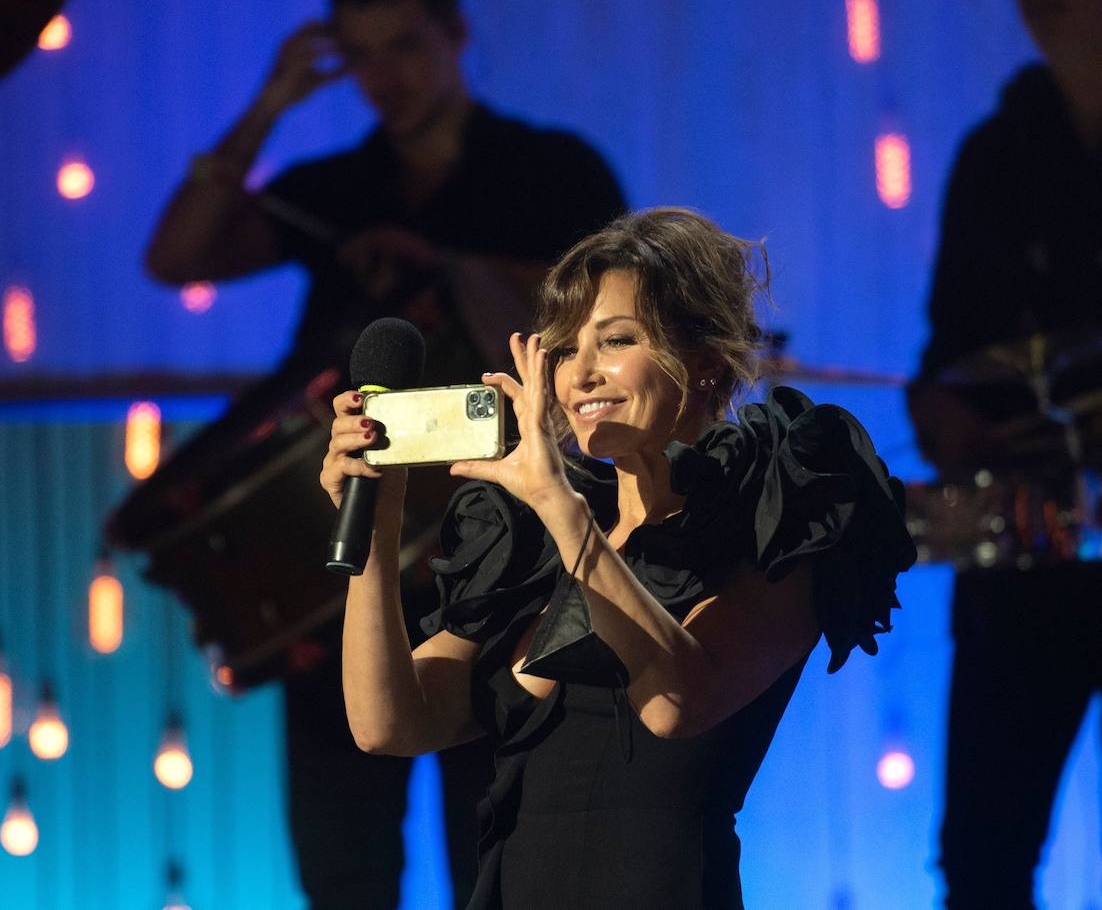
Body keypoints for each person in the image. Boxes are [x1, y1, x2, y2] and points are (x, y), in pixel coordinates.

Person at [143, 0, 624, 908]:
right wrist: (271, 103)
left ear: (455, 35)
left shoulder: (552, 169)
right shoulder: (335, 184)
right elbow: (177, 254)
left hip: (505, 566)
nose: (384, 78)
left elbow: (615, 325)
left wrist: (449, 264)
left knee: (505, 869)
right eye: (361, 56)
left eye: (404, 46)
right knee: (343, 873)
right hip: (351, 564)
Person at [323, 208, 918, 908]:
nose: (581, 373)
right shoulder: (528, 541)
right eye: (566, 348)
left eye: (616, 340)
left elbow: (675, 700)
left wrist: (562, 510)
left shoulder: (773, 515)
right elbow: (387, 723)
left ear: (704, 360)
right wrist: (376, 527)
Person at [908, 0, 1102, 905]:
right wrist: (948, 420)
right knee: (983, 854)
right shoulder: (998, 154)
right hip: (1028, 551)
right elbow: (943, 356)